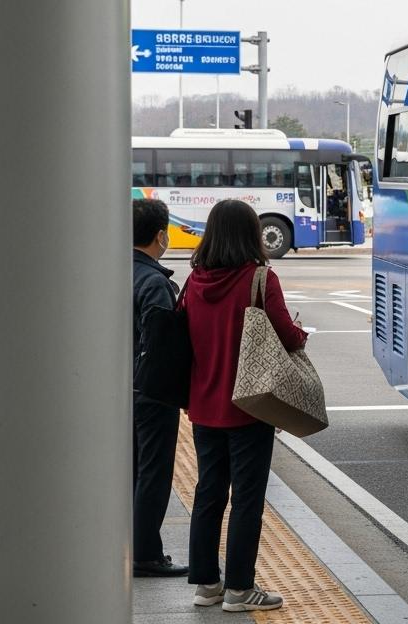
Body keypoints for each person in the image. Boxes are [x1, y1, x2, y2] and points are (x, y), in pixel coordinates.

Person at [182, 199, 306, 613]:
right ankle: (239, 588)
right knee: (247, 498)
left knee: (208, 493)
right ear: (251, 233)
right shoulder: (259, 279)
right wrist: (302, 334)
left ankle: (206, 585)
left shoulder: (194, 280)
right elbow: (287, 336)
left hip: (202, 404)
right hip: (250, 407)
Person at [130, 199, 188, 578]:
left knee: (128, 470)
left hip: (116, 390)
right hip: (150, 394)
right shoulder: (154, 282)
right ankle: (147, 553)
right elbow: (161, 346)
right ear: (161, 235)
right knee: (153, 471)